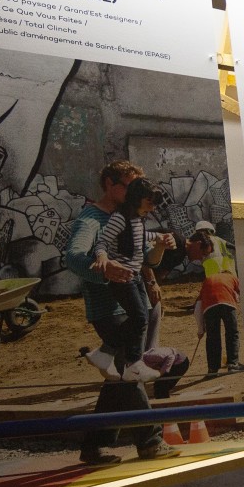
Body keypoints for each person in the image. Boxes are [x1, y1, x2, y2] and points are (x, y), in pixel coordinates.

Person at [64, 159, 178, 466]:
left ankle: (94, 446)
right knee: (131, 372)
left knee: (118, 377)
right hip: (109, 308)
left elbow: (144, 261)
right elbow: (73, 257)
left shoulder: (125, 216)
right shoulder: (92, 219)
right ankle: (150, 441)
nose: (135, 192)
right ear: (109, 185)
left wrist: (161, 248)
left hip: (130, 302)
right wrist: (105, 271)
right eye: (128, 186)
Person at [90, 177, 165, 383]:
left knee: (144, 318)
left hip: (136, 276)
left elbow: (140, 235)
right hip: (122, 278)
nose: (152, 207)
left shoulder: (137, 220)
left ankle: (106, 353)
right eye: (149, 202)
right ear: (137, 198)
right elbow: (102, 242)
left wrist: (158, 238)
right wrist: (103, 258)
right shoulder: (119, 218)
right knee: (139, 318)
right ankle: (132, 364)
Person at [188, 224, 244, 378]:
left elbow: (198, 306)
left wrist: (200, 329)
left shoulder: (200, 246)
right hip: (228, 284)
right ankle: (233, 363)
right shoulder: (218, 240)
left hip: (210, 288)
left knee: (213, 335)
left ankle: (213, 369)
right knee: (232, 332)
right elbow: (233, 247)